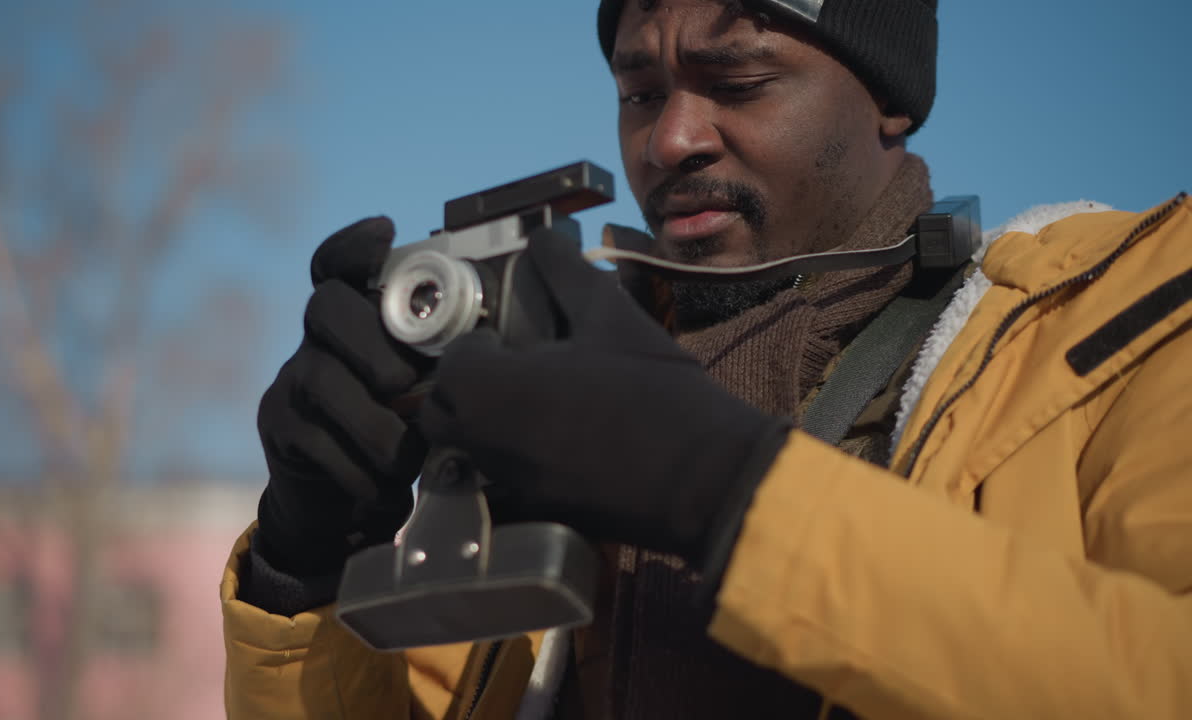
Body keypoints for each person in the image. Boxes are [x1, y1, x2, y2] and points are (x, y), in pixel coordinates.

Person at [221, 0, 1192, 718]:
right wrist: (301, 574)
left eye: (736, 82)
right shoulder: (534, 438)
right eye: (640, 91)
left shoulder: (1119, 324)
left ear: (887, 97)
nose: (670, 138)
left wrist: (721, 489)